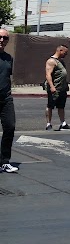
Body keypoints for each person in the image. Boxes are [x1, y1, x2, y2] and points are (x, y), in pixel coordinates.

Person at [0, 29, 18, 173]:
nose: (2, 40)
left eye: (5, 38)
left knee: (10, 127)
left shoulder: (8, 58)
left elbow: (7, 77)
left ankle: (4, 161)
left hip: (6, 98)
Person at [45, 44, 70, 131]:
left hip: (62, 88)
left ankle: (63, 124)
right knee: (50, 106)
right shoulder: (51, 61)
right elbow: (48, 75)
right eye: (65, 52)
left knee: (61, 106)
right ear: (60, 51)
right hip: (54, 88)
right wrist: (52, 87)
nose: (66, 54)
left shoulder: (61, 61)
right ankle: (48, 124)